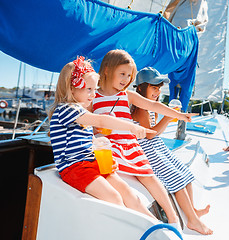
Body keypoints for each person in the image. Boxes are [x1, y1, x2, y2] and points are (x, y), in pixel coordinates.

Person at [92, 49, 196, 229]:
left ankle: (173, 218)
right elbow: (87, 120)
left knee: (149, 176)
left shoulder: (126, 96)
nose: (125, 79)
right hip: (110, 146)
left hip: (130, 145)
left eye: (129, 75)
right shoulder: (93, 96)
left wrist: (180, 116)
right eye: (122, 74)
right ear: (107, 70)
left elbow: (153, 105)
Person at [48, 56, 156, 219]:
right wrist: (133, 127)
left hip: (90, 163)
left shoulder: (79, 112)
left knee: (129, 193)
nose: (93, 95)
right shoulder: (67, 110)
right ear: (72, 88)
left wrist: (98, 148)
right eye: (89, 89)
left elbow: (85, 140)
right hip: (74, 168)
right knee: (114, 198)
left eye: (94, 89)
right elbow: (100, 119)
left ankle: (154, 226)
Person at [131, 67, 213, 235]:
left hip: (156, 145)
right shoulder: (140, 109)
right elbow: (150, 134)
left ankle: (193, 211)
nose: (157, 91)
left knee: (184, 172)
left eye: (159, 88)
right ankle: (192, 220)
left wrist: (169, 117)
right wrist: (167, 119)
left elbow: (154, 134)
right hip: (148, 150)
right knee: (175, 177)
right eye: (154, 87)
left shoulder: (149, 108)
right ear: (140, 87)